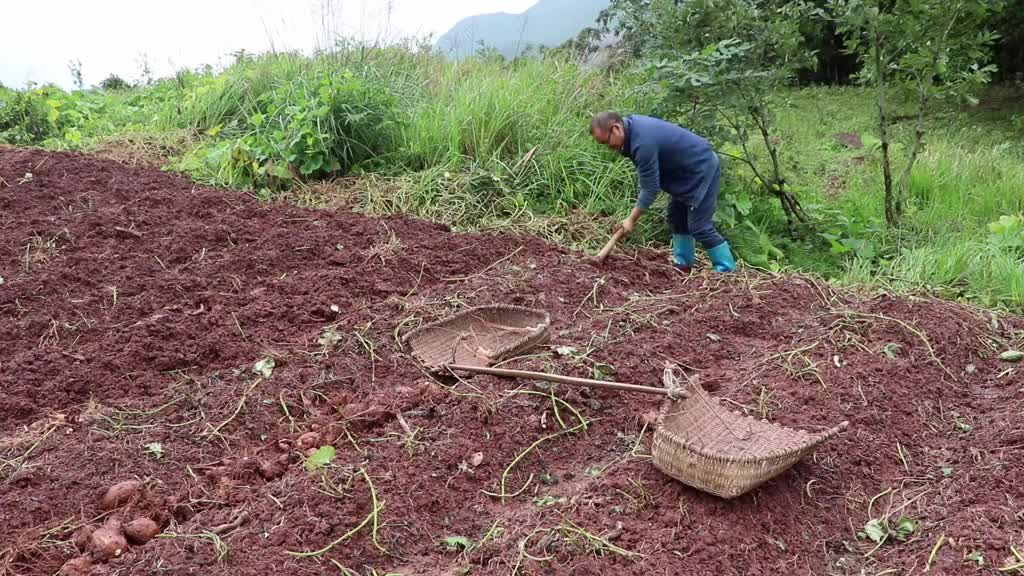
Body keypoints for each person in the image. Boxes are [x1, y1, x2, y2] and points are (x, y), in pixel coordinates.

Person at [590, 111, 736, 273]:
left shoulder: (642, 142)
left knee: (700, 226)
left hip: (701, 168)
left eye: (607, 142)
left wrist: (631, 220)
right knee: (676, 216)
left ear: (616, 128)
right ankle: (683, 263)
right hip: (683, 173)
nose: (610, 149)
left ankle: (726, 270)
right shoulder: (631, 131)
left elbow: (650, 188)